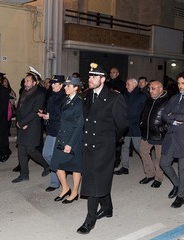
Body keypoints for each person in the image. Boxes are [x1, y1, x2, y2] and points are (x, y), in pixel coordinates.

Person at [77, 63, 127, 234]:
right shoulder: (86, 95)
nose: (90, 79)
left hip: (104, 147)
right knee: (98, 180)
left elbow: (122, 125)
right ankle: (107, 208)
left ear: (103, 79)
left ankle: (89, 220)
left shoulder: (114, 97)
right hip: (88, 144)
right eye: (89, 76)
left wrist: (109, 140)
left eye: (94, 77)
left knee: (93, 182)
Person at [160, 72, 184, 208]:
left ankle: (180, 197)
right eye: (178, 83)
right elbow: (164, 114)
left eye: (183, 83)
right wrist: (174, 119)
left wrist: (173, 116)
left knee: (183, 170)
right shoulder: (174, 97)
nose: (180, 86)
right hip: (171, 136)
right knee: (164, 163)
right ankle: (177, 184)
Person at [12, 67, 50, 183]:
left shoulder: (39, 95)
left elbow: (35, 112)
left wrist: (23, 123)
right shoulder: (23, 93)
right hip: (22, 125)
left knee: (31, 151)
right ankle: (24, 174)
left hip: (32, 126)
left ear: (34, 83)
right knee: (21, 151)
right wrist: (19, 122)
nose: (25, 83)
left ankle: (47, 166)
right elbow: (18, 109)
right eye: (25, 81)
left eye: (28, 81)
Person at [49, 76, 84, 203]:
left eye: (69, 86)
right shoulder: (66, 100)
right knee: (56, 164)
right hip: (62, 136)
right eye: (65, 85)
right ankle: (65, 188)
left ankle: (74, 192)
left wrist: (70, 143)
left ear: (76, 88)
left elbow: (79, 125)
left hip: (73, 139)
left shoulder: (79, 103)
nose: (65, 87)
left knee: (75, 166)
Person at [38, 75, 66, 192]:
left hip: (58, 130)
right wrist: (44, 113)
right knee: (46, 154)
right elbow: (50, 111)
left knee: (53, 156)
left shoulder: (64, 97)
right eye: (52, 83)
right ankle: (60, 169)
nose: (52, 85)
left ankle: (55, 182)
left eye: (55, 83)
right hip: (50, 129)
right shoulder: (52, 96)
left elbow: (64, 115)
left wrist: (50, 116)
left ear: (61, 85)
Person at [139, 81, 169, 187]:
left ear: (161, 89)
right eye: (150, 88)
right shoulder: (149, 99)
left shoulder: (167, 101)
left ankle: (158, 178)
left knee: (159, 157)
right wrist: (141, 123)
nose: (150, 91)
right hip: (147, 132)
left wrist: (162, 129)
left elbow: (170, 119)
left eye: (153, 88)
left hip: (160, 134)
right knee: (143, 151)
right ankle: (150, 174)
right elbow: (144, 113)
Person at [114, 78, 147, 175]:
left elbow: (145, 112)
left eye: (128, 84)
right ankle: (125, 167)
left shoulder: (142, 96)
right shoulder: (125, 95)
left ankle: (149, 169)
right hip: (127, 127)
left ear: (134, 84)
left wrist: (141, 123)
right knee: (125, 147)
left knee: (139, 148)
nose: (126, 86)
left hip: (136, 127)